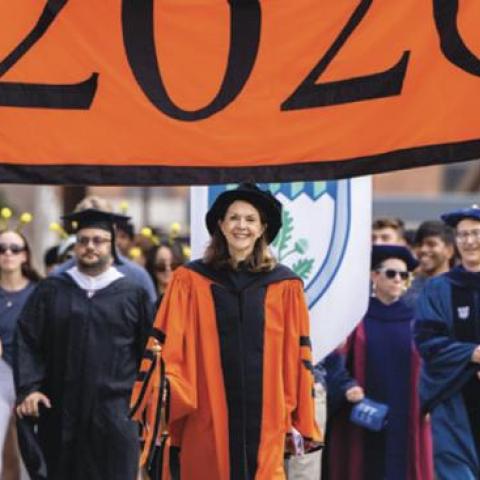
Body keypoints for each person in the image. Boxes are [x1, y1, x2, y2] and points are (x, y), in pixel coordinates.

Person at [131, 183, 322, 480]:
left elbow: (296, 355)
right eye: (233, 218)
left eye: (250, 219)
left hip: (266, 416)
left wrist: (296, 413)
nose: (241, 226)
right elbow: (170, 346)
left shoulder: (285, 286)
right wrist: (166, 390)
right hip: (206, 412)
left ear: (262, 229)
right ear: (220, 225)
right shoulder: (190, 281)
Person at [14, 209, 153, 480]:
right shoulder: (52, 290)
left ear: (111, 246)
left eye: (98, 240)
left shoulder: (132, 294)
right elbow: (28, 340)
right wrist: (30, 389)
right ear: (75, 245)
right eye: (83, 240)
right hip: (61, 413)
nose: (90, 246)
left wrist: (142, 404)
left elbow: (148, 352)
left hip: (115, 414)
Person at [325, 245, 433, 480]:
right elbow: (333, 359)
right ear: (374, 276)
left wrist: (430, 400)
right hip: (363, 410)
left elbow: (430, 365)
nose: (398, 280)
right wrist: (346, 386)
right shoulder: (353, 316)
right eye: (391, 273)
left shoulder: (416, 319)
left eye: (404, 275)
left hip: (407, 410)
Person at [414, 205, 480, 479]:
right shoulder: (439, 288)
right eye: (462, 235)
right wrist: (473, 354)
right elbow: (427, 342)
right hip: (454, 397)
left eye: (476, 233)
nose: (469, 241)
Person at [53, 196, 157, 304]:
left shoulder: (136, 276)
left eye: (98, 239)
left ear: (112, 230)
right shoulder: (60, 277)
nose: (90, 246)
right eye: (85, 238)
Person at [0, 229, 40, 479]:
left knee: (31, 450)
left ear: (25, 255)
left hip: (31, 376)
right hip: (1, 371)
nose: (7, 253)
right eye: (2, 248)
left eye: (14, 248)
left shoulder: (39, 291)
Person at [404, 220, 455, 305]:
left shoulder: (460, 288)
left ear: (449, 250)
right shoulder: (406, 286)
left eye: (431, 244)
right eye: (419, 245)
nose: (423, 250)